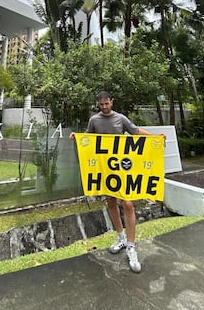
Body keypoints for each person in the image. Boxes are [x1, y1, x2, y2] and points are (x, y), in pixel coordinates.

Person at [70, 90, 166, 273]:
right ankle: (120, 237)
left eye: (107, 103)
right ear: (98, 104)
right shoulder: (94, 120)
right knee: (111, 202)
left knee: (128, 204)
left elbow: (136, 132)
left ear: (112, 102)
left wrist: (155, 138)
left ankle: (131, 246)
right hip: (106, 171)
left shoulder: (121, 119)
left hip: (122, 169)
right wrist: (77, 137)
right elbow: (89, 139)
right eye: (101, 104)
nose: (104, 107)